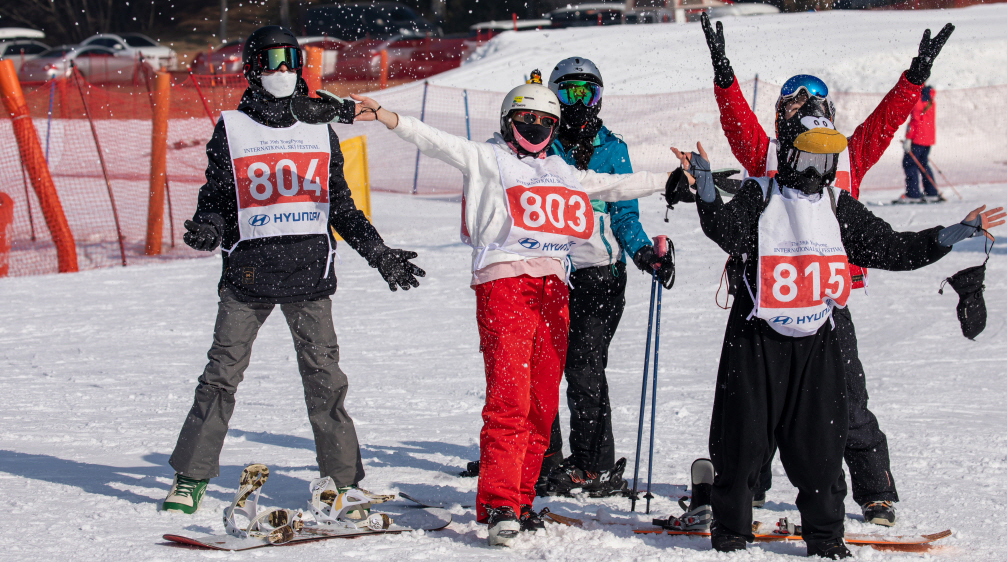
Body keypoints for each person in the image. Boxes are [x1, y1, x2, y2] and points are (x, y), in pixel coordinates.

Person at [674, 96, 1005, 557]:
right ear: (788, 154)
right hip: (757, 342)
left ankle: (826, 537)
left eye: (825, 159)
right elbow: (727, 231)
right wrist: (707, 191)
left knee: (821, 451)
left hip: (818, 345)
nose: (815, 170)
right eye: (807, 157)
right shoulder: (761, 195)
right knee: (743, 441)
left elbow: (893, 248)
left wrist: (951, 233)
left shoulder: (837, 206)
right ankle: (731, 529)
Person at [351, 77, 675, 546]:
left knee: (542, 403)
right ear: (508, 120)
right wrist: (387, 116)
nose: (536, 128)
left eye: (545, 121)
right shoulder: (488, 157)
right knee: (510, 399)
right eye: (527, 119)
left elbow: (613, 183)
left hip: (554, 289)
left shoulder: (562, 170)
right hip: (505, 285)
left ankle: (522, 499)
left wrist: (672, 179)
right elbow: (436, 141)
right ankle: (500, 501)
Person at [699, 14, 955, 528]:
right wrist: (723, 72)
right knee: (758, 408)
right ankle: (745, 488)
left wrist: (916, 74)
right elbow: (736, 122)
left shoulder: (848, 156)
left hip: (829, 305)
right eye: (795, 103)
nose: (806, 112)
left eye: (815, 103)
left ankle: (874, 491)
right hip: (771, 301)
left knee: (847, 403)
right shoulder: (767, 156)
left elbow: (885, 121)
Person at [162, 26, 424, 515]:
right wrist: (208, 226)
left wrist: (379, 252)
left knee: (325, 377)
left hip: (309, 274)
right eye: (272, 60)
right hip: (248, 276)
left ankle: (342, 480)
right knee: (221, 375)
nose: (282, 71)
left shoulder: (319, 127)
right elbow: (217, 196)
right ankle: (191, 476)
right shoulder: (233, 127)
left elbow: (340, 207)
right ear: (252, 67)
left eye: (290, 60)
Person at [536, 57, 673, 498]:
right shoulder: (539, 141)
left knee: (584, 367)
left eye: (587, 93)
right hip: (548, 272)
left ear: (600, 97)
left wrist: (644, 254)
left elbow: (625, 216)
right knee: (541, 365)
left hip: (599, 276)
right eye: (569, 92)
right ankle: (544, 457)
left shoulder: (613, 148)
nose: (579, 102)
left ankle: (593, 464)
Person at [901, 86, 942, 203]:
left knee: (910, 164)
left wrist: (908, 138)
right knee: (923, 164)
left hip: (917, 139)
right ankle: (931, 192)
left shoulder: (918, 101)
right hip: (927, 139)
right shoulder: (930, 99)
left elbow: (915, 121)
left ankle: (913, 194)